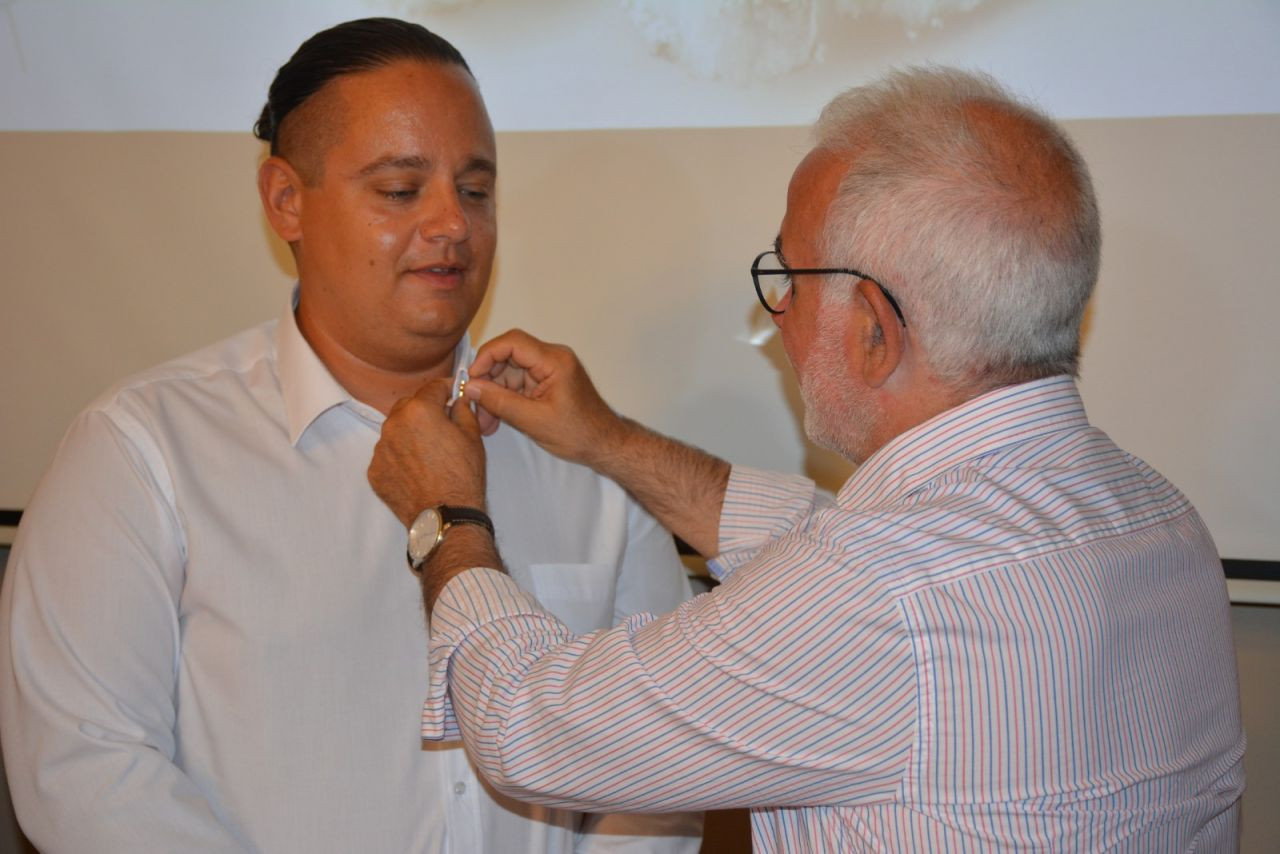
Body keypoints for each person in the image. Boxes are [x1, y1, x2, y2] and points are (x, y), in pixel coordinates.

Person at [368, 67, 1246, 851]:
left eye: (787, 277)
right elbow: (832, 541)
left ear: (873, 330)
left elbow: (531, 726)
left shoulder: (879, 594)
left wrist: (447, 513)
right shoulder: (1160, 521)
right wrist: (606, 438)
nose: (778, 310)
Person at [0, 18, 700, 854]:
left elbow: (662, 759)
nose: (452, 223)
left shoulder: (582, 452)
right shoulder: (143, 450)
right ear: (286, 201)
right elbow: (85, 768)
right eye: (401, 190)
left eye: (476, 191)